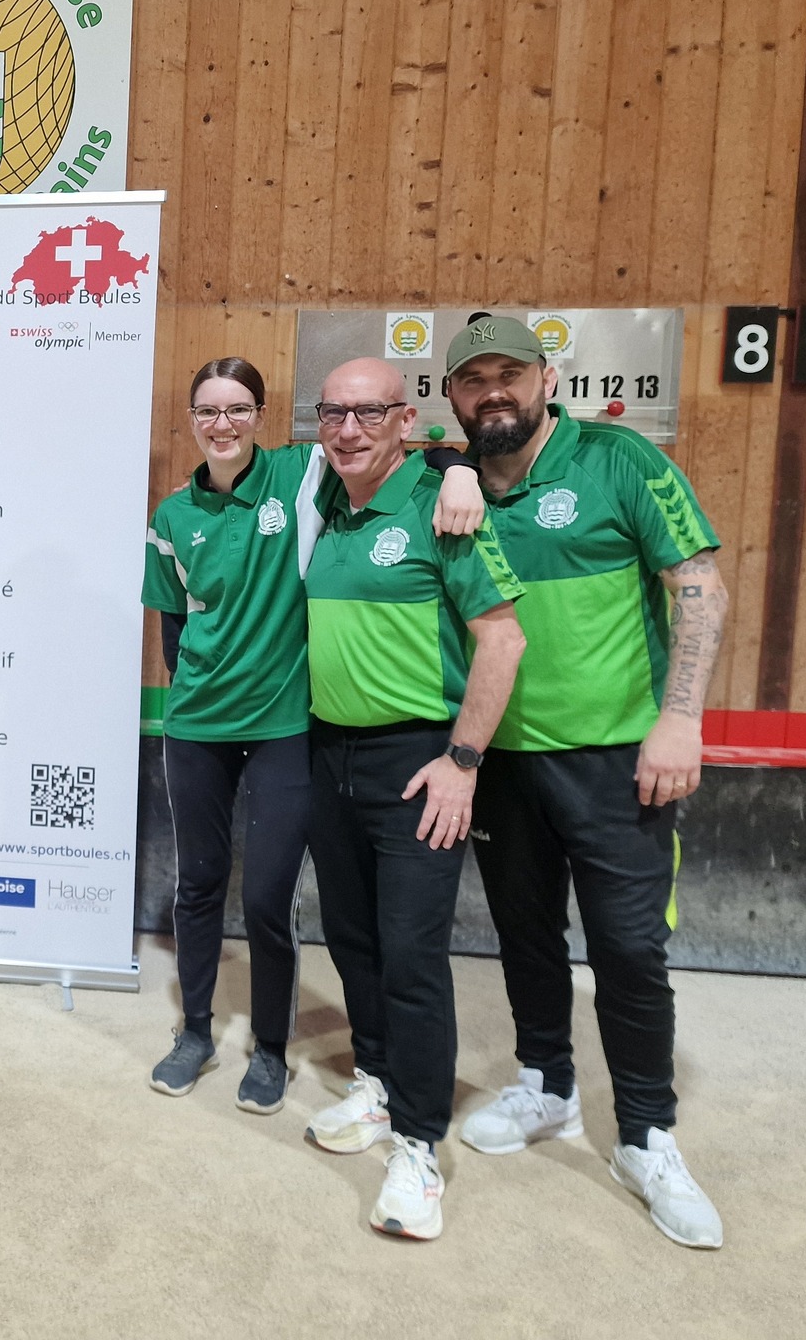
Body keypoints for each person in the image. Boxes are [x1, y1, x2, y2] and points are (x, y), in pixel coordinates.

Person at [441, 318, 730, 1249]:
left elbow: (700, 587)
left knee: (630, 951)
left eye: (510, 373)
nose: (494, 391)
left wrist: (680, 720)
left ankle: (646, 1135)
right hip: (502, 761)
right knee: (525, 935)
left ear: (548, 379)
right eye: (473, 378)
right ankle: (547, 1086)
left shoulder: (619, 460)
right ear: (451, 397)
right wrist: (450, 469)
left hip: (619, 762)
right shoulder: (450, 481)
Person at [141, 359, 484, 1111]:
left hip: (285, 725)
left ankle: (271, 1048)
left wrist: (458, 469)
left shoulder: (303, 474)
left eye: (238, 409)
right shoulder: (170, 516)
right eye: (208, 411)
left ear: (260, 416)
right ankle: (194, 1031)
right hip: (196, 725)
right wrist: (200, 683)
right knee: (198, 883)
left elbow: (398, 452)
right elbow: (171, 626)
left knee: (268, 897)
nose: (223, 424)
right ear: (192, 421)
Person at [298, 357, 527, 1242]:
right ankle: (380, 1083)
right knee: (352, 939)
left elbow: (501, 641)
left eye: (369, 413)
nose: (348, 430)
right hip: (328, 754)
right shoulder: (326, 503)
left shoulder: (443, 509)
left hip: (419, 760)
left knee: (412, 955)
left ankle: (420, 1146)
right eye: (334, 413)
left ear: (405, 420)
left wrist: (462, 761)